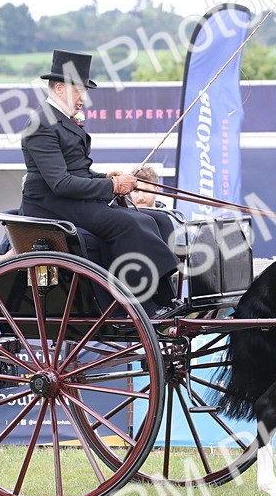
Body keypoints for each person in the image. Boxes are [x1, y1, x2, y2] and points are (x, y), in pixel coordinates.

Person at [20, 50, 179, 315]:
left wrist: (106, 178)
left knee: (158, 219)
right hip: (51, 205)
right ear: (60, 88)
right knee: (127, 223)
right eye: (79, 91)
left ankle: (164, 298)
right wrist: (113, 187)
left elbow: (78, 172)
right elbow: (60, 183)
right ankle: (139, 305)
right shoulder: (41, 123)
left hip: (70, 199)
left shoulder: (60, 120)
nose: (83, 98)